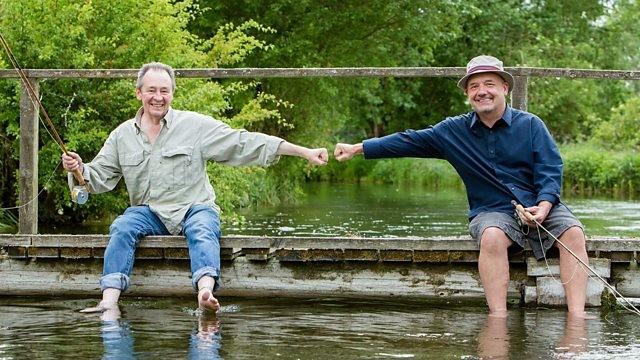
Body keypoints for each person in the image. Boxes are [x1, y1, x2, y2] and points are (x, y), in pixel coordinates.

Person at [334, 55, 589, 318]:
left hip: (540, 201)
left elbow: (550, 168)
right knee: (491, 235)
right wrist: (357, 148)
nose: (482, 92)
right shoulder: (452, 131)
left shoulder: (532, 125)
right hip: (492, 210)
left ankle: (577, 318)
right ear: (468, 93)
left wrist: (545, 206)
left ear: (505, 88)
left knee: (573, 232)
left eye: (489, 83)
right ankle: (498, 319)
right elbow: (408, 140)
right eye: (474, 86)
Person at [63, 62, 328, 313]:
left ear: (172, 94)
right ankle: (109, 301)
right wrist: (78, 168)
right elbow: (97, 178)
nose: (158, 97)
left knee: (203, 229)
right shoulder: (122, 135)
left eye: (164, 91)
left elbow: (242, 142)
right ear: (139, 94)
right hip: (149, 212)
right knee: (122, 226)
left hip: (194, 208)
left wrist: (303, 152)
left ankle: (205, 293)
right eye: (152, 90)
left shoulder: (195, 126)